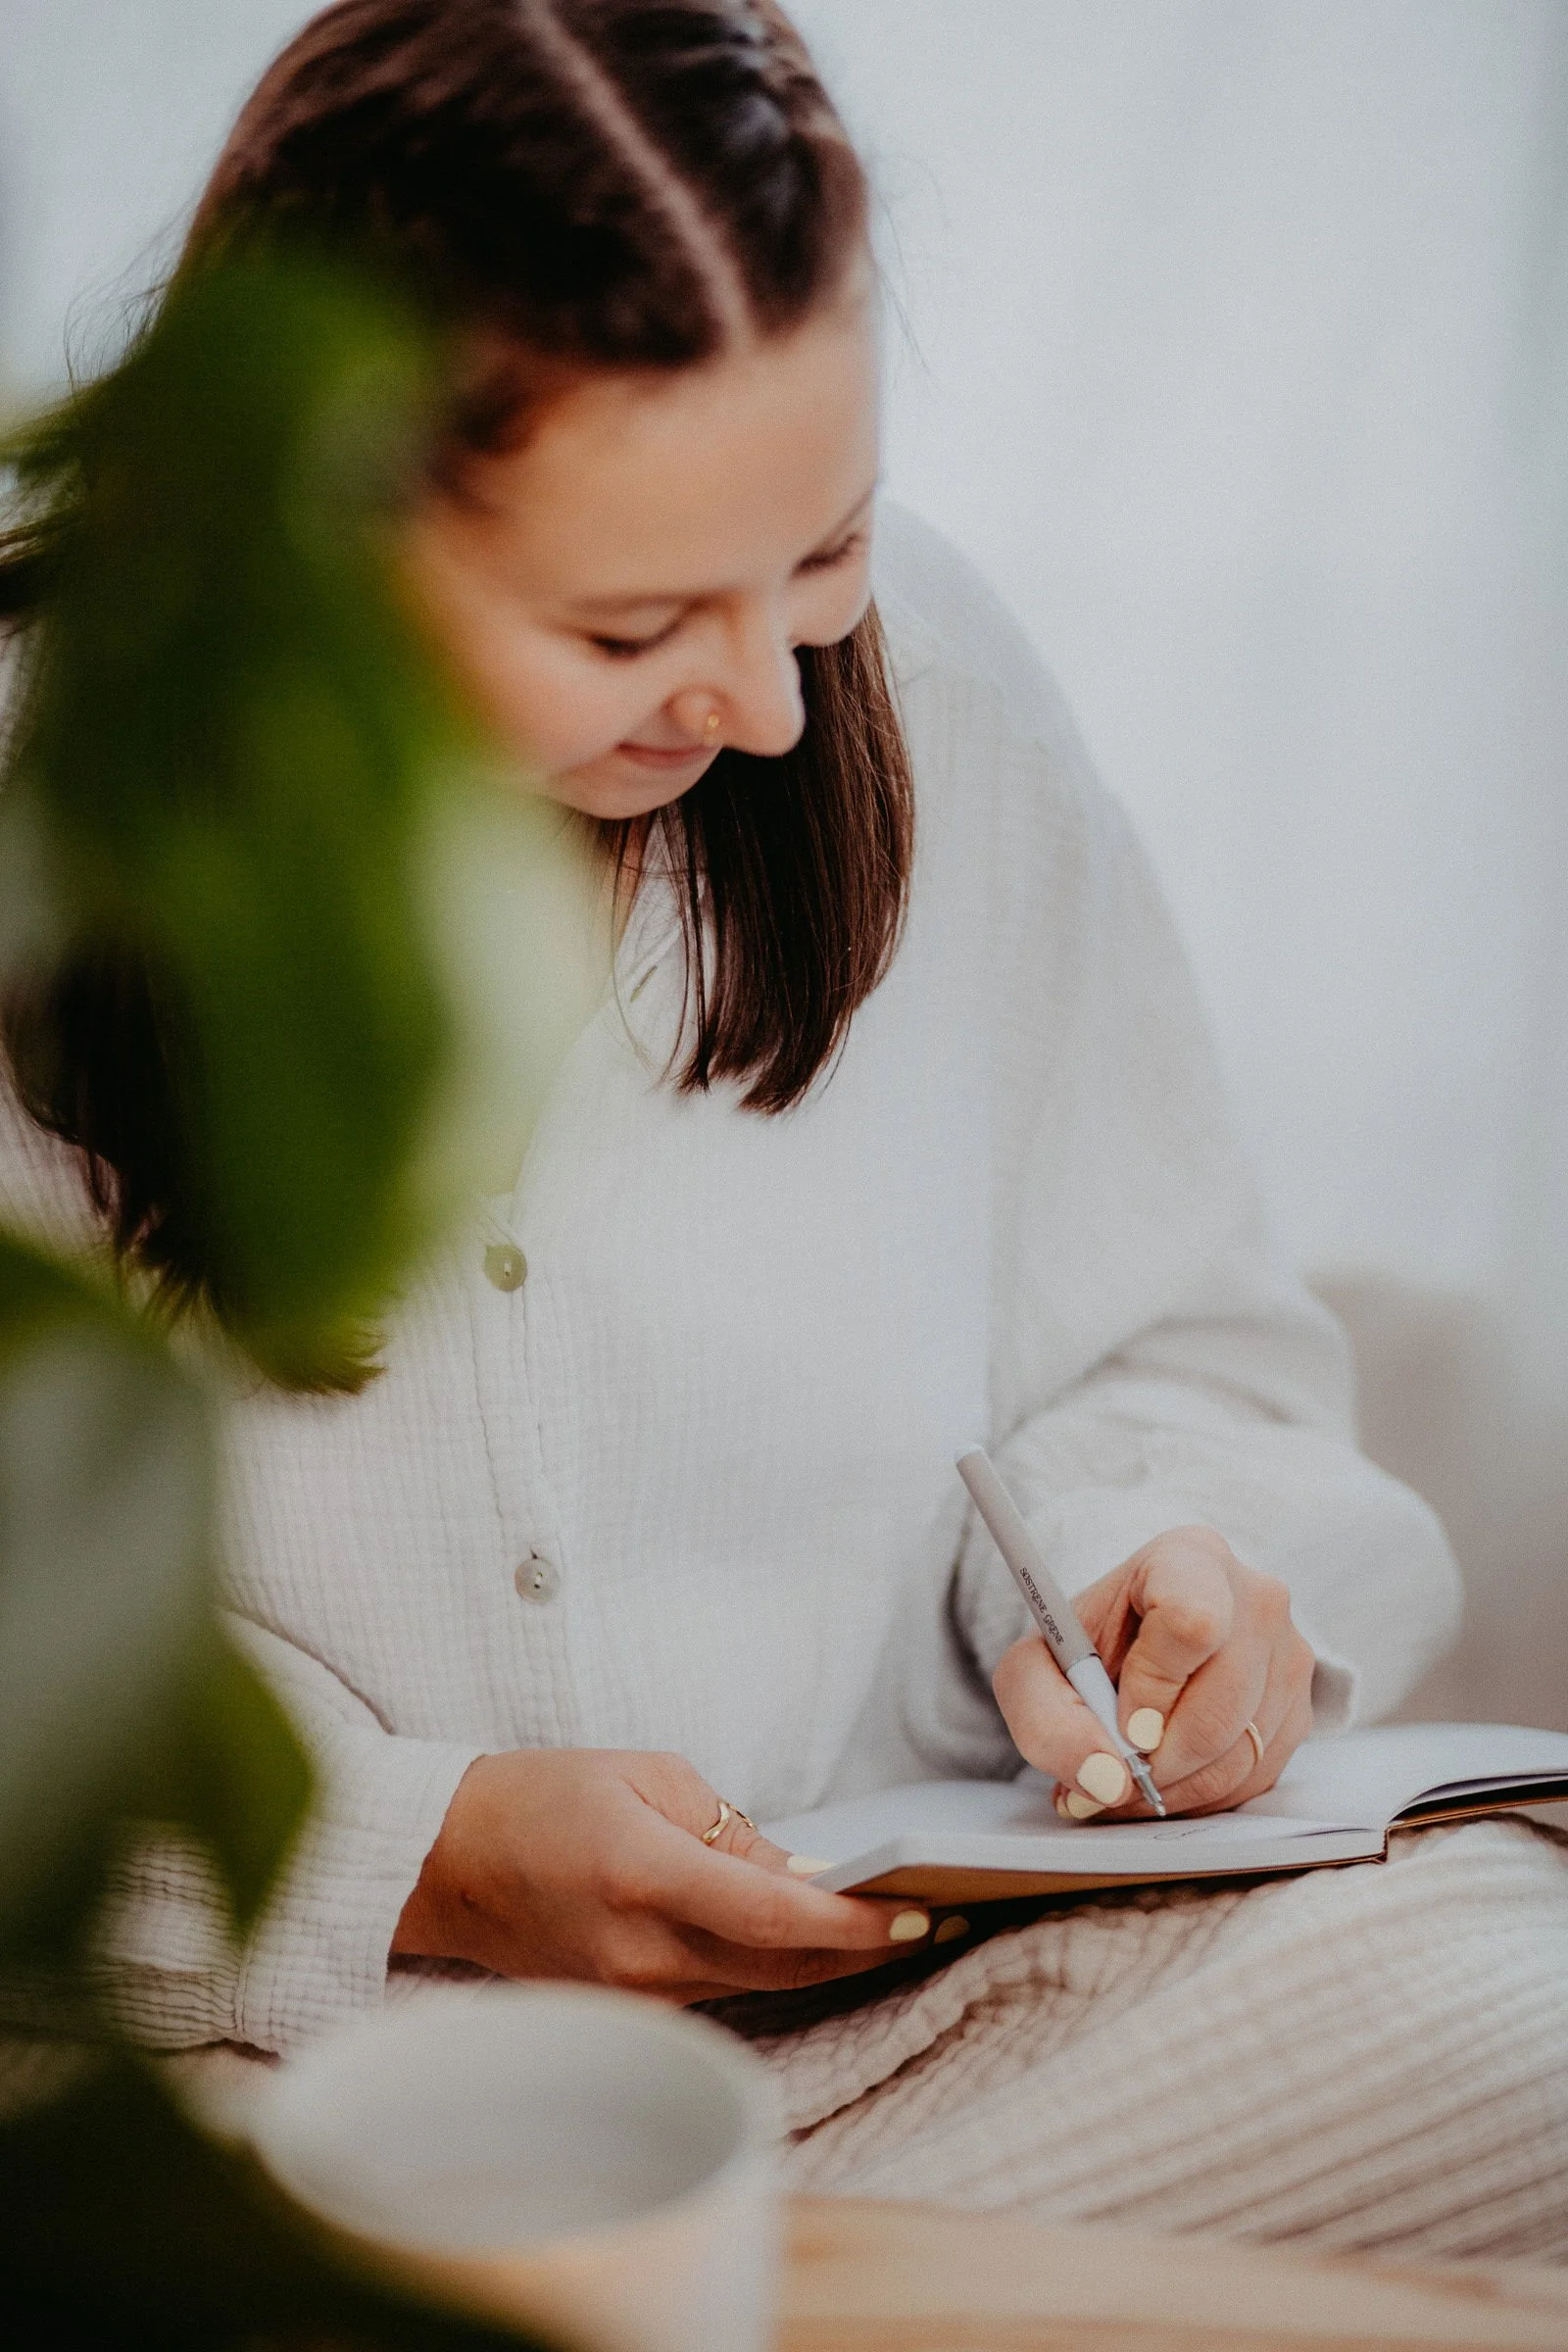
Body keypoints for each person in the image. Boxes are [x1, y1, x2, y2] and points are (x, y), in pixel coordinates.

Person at [3, 0, 1565, 2259]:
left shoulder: (926, 681)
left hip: (939, 2018)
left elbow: (1184, 1359)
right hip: (261, 2070)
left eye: (818, 550)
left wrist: (1182, 1582)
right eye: (629, 619)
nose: (762, 699)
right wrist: (418, 1854)